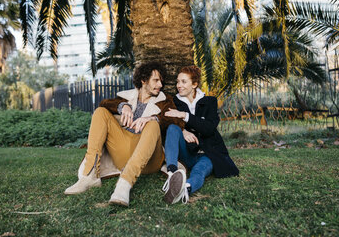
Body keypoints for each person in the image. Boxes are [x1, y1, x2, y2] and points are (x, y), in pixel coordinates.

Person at [64, 62, 184, 207]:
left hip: (150, 158)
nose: (160, 84)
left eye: (161, 81)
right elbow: (105, 103)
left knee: (152, 124)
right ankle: (89, 176)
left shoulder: (165, 101)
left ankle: (124, 185)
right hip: (123, 151)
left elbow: (177, 120)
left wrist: (153, 118)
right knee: (100, 112)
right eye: (156, 80)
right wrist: (123, 106)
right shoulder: (126, 97)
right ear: (144, 80)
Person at [162, 65, 239, 204]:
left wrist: (184, 116)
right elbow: (166, 119)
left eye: (184, 82)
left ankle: (185, 189)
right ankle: (172, 174)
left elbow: (209, 128)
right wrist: (183, 130)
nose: (179, 85)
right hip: (187, 152)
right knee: (173, 128)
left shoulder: (210, 101)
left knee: (200, 171)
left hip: (207, 154)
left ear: (195, 84)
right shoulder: (174, 101)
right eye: (178, 82)